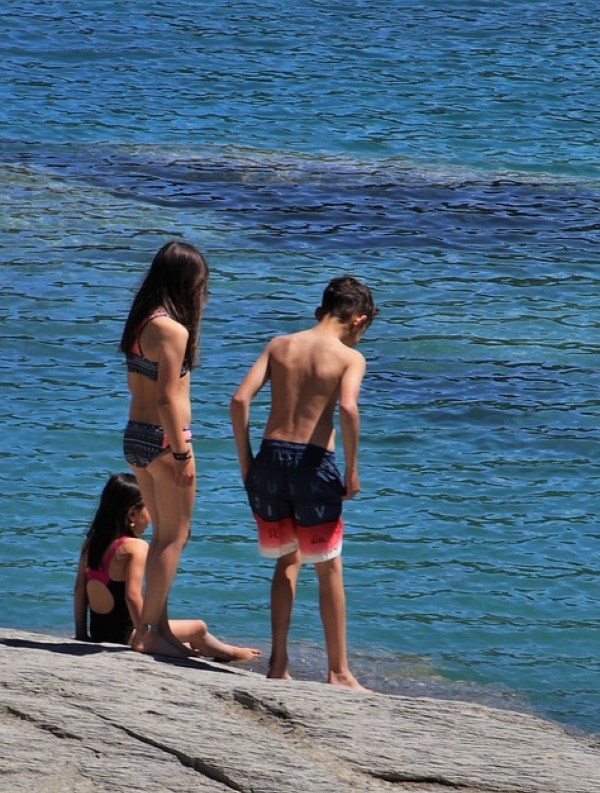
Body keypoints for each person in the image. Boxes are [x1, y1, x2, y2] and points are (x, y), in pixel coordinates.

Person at [229, 276, 377, 690]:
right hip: (314, 462)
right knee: (329, 568)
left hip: (270, 459)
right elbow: (348, 408)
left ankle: (278, 664)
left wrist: (246, 461)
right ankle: (338, 671)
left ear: (320, 311)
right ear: (359, 319)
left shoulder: (280, 345)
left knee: (286, 560)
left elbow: (240, 400)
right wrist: (350, 471)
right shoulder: (349, 359)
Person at [119, 240, 208, 658]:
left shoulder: (141, 322)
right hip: (164, 439)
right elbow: (167, 399)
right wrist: (181, 454)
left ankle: (161, 628)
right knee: (176, 536)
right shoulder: (173, 329)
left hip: (135, 435)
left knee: (159, 538)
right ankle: (149, 632)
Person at [73, 473, 260, 662]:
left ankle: (197, 650)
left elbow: (80, 590)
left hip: (99, 633)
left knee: (182, 645)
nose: (153, 517)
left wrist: (81, 634)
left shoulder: (90, 544)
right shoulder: (134, 547)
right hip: (128, 634)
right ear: (132, 513)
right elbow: (132, 596)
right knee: (198, 628)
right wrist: (143, 635)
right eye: (149, 508)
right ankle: (228, 653)